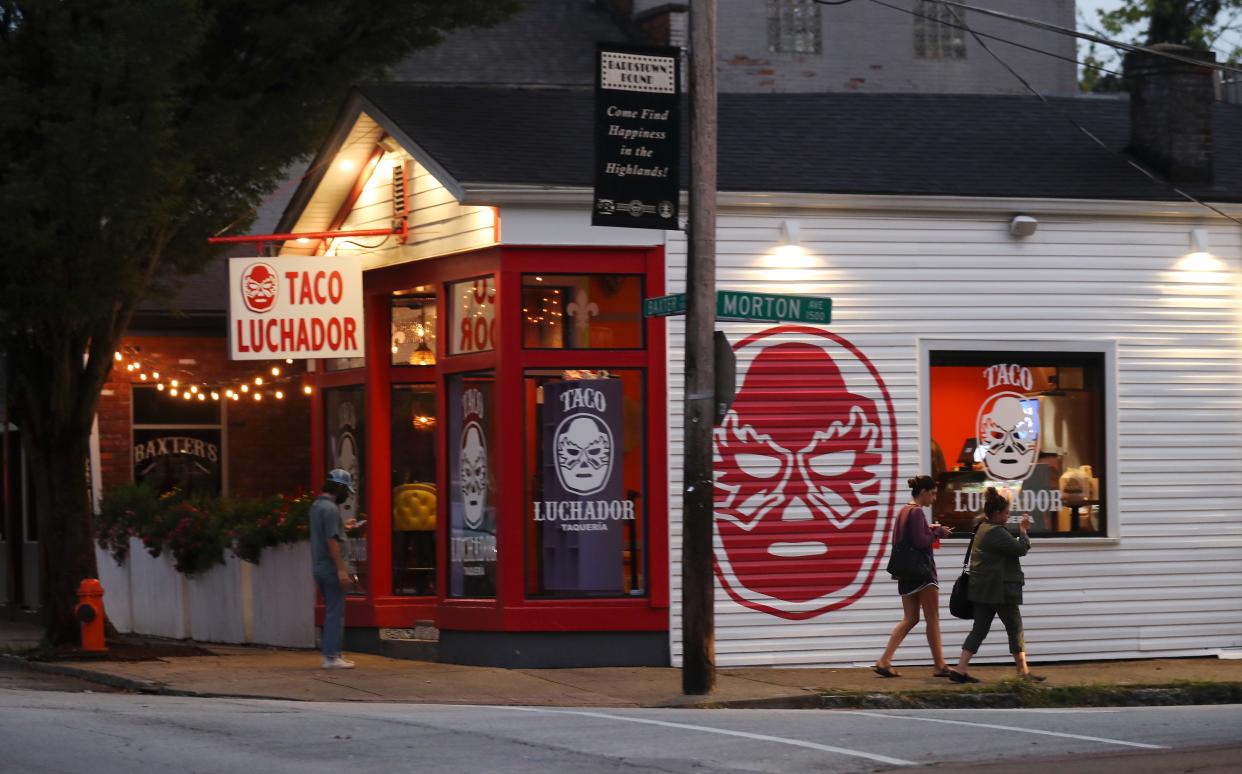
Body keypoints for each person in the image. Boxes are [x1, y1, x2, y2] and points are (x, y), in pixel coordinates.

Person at [948, 487, 1045, 683]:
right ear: (997, 513)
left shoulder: (982, 528)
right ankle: (1023, 672)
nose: (1008, 516)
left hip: (983, 591)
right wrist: (1024, 531)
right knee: (1015, 627)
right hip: (1000, 590)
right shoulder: (996, 532)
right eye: (1006, 513)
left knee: (980, 629)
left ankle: (960, 669)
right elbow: (1020, 549)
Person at [873, 475, 953, 678]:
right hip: (923, 574)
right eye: (933, 494)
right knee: (932, 619)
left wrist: (929, 530)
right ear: (924, 492)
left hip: (906, 574)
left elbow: (907, 538)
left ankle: (884, 660)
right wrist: (938, 533)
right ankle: (940, 665)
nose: (934, 499)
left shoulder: (903, 511)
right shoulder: (917, 512)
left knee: (910, 618)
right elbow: (920, 541)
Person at [311, 468, 360, 670]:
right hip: (331, 568)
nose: (347, 495)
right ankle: (331, 656)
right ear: (338, 488)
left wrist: (344, 527)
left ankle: (334, 654)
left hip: (319, 567)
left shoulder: (317, 506)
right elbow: (331, 541)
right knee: (335, 611)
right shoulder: (330, 509)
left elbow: (328, 532)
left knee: (333, 609)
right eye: (345, 490)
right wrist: (341, 570)